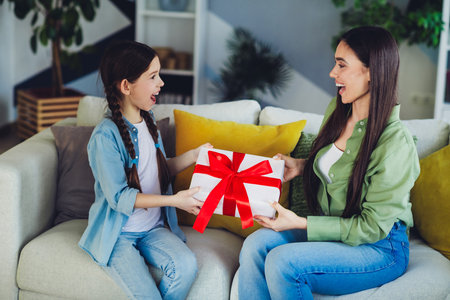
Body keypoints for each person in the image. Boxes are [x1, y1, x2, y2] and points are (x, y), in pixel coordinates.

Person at [238, 26, 420, 299]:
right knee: (255, 246)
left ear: (372, 71)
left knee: (284, 263)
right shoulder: (338, 110)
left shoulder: (395, 143)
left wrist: (302, 223)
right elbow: (339, 166)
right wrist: (301, 166)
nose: (332, 73)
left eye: (341, 65)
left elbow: (371, 227)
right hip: (337, 228)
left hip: (380, 247)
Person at [79, 40, 211, 300]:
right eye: (153, 76)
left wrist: (195, 156)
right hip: (119, 235)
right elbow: (119, 197)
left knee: (186, 267)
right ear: (126, 86)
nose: (161, 83)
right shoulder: (105, 137)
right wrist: (174, 200)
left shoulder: (149, 122)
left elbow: (159, 170)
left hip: (154, 229)